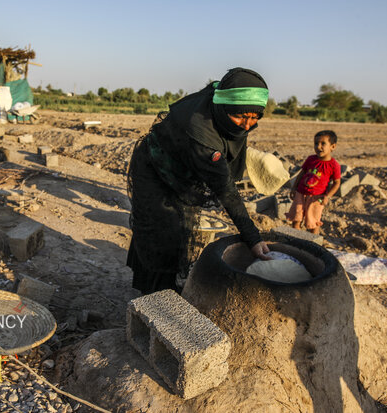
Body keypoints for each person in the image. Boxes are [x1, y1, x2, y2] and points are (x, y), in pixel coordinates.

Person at [127, 67, 272, 295]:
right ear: (224, 107)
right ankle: (156, 296)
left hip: (181, 168)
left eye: (255, 118)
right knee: (163, 231)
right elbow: (225, 189)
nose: (247, 125)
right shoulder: (201, 132)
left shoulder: (219, 103)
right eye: (242, 116)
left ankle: (156, 285)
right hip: (155, 170)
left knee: (173, 228)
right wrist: (252, 236)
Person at [286, 130, 341, 234]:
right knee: (296, 219)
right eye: (316, 143)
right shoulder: (311, 159)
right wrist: (294, 188)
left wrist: (327, 196)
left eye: (323, 143)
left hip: (317, 198)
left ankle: (313, 244)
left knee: (313, 222)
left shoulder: (334, 165)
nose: (318, 146)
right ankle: (295, 241)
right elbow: (302, 173)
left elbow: (337, 183)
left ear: (333, 146)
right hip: (301, 193)